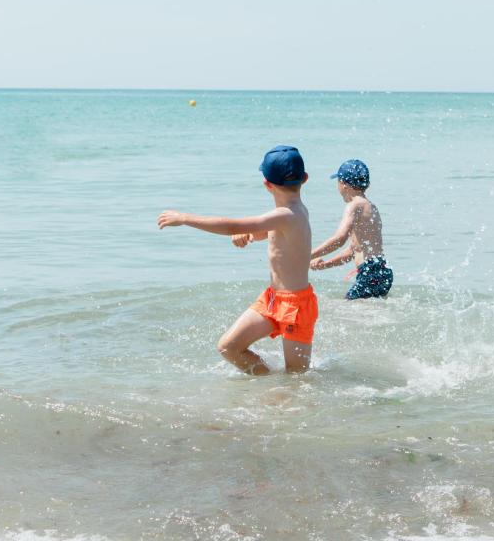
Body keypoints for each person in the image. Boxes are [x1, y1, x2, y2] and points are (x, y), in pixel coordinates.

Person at [157, 145, 317, 375]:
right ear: (305, 179)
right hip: (273, 300)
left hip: (296, 306)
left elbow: (232, 225)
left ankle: (286, 400)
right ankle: (268, 381)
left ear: (267, 184)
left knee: (296, 376)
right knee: (228, 347)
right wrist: (252, 235)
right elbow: (272, 232)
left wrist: (184, 218)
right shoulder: (289, 212)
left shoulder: (287, 214)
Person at [310, 159, 393, 299]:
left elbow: (339, 238)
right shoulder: (371, 207)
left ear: (343, 184)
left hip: (369, 272)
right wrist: (325, 265)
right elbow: (352, 251)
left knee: (345, 310)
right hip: (382, 271)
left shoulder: (354, 206)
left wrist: (307, 255)